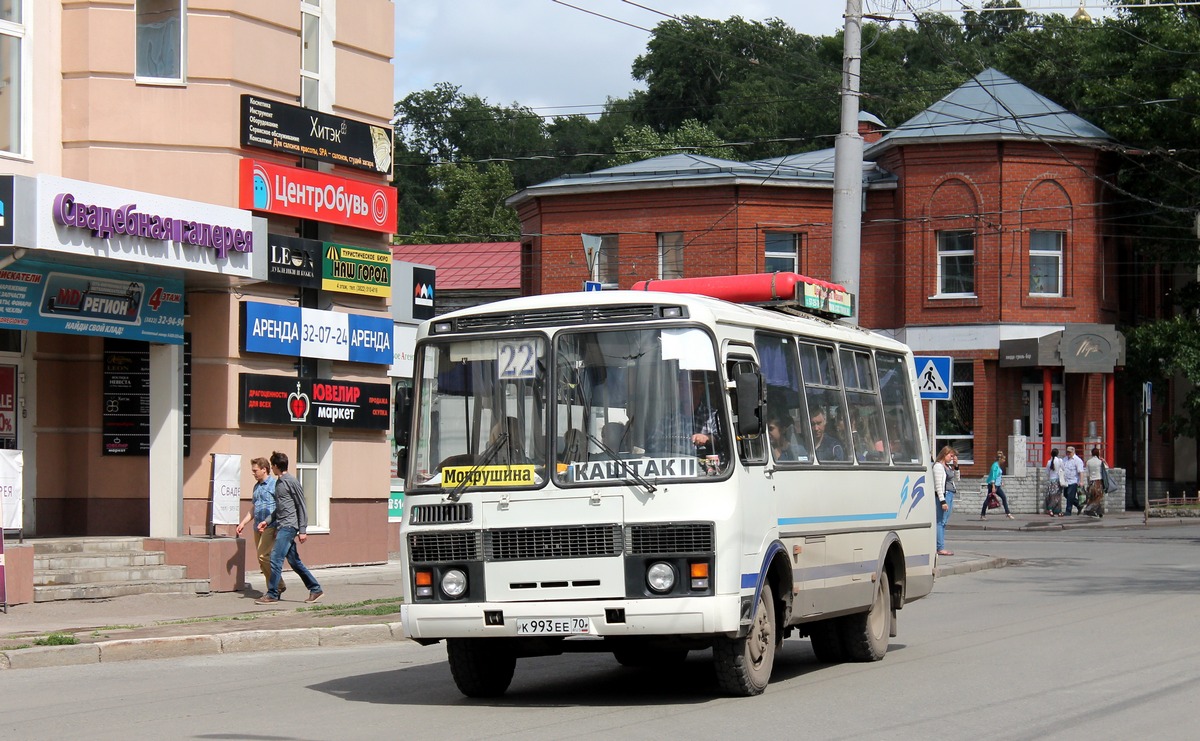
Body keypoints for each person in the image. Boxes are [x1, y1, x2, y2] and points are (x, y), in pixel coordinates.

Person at [255, 451, 324, 605]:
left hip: (289, 526)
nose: (271, 468)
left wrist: (303, 530)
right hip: (282, 525)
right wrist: (267, 521)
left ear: (276, 466)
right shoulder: (279, 483)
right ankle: (316, 589)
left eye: (272, 465)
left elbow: (301, 505)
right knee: (294, 562)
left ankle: (272, 593)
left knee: (275, 558)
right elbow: (280, 508)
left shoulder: (291, 481)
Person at [235, 457, 285, 595]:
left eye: (255, 470)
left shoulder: (275, 485)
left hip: (270, 525)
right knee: (261, 560)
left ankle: (277, 584)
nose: (253, 473)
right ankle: (274, 587)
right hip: (257, 527)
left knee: (263, 555)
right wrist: (243, 523)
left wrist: (279, 526)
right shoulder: (256, 487)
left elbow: (281, 507)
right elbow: (254, 508)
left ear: (264, 469)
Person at [933, 446, 958, 556]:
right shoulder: (938, 466)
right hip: (944, 495)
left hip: (950, 494)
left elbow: (957, 478)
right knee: (940, 522)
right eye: (950, 456)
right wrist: (942, 501)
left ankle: (940, 546)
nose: (952, 458)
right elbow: (938, 485)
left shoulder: (947, 466)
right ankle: (940, 548)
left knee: (944, 522)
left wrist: (956, 466)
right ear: (944, 454)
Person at [980, 450, 1014, 520]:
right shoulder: (995, 466)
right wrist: (993, 486)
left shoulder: (998, 465)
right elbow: (993, 476)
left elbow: (998, 476)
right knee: (988, 499)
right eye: (1003, 459)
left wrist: (1001, 481)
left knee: (1004, 497)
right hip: (993, 485)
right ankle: (982, 515)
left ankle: (1008, 513)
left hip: (997, 485)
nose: (1004, 461)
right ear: (1000, 459)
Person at [1060, 446, 1087, 516]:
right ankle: (1078, 504)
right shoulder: (1065, 459)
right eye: (1067, 452)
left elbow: (1081, 471)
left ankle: (1068, 511)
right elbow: (1062, 469)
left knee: (1070, 495)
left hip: (1074, 481)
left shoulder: (1077, 460)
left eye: (1070, 452)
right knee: (1066, 494)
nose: (1068, 453)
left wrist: (1081, 481)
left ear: (1073, 452)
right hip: (1066, 481)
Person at [1083, 447, 1107, 518]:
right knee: (1098, 497)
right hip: (1098, 481)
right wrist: (1104, 461)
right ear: (1098, 453)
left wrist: (1087, 484)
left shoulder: (1088, 462)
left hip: (1091, 482)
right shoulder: (1100, 462)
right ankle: (1088, 510)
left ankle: (1099, 512)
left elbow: (1087, 474)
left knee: (1093, 497)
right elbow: (1107, 468)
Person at [1044, 448, 1064, 516]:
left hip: (1051, 481)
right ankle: (1059, 511)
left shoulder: (1049, 462)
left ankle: (1050, 509)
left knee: (1052, 496)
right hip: (1058, 481)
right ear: (1057, 454)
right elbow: (1063, 469)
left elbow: (1047, 472)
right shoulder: (1060, 460)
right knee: (1058, 496)